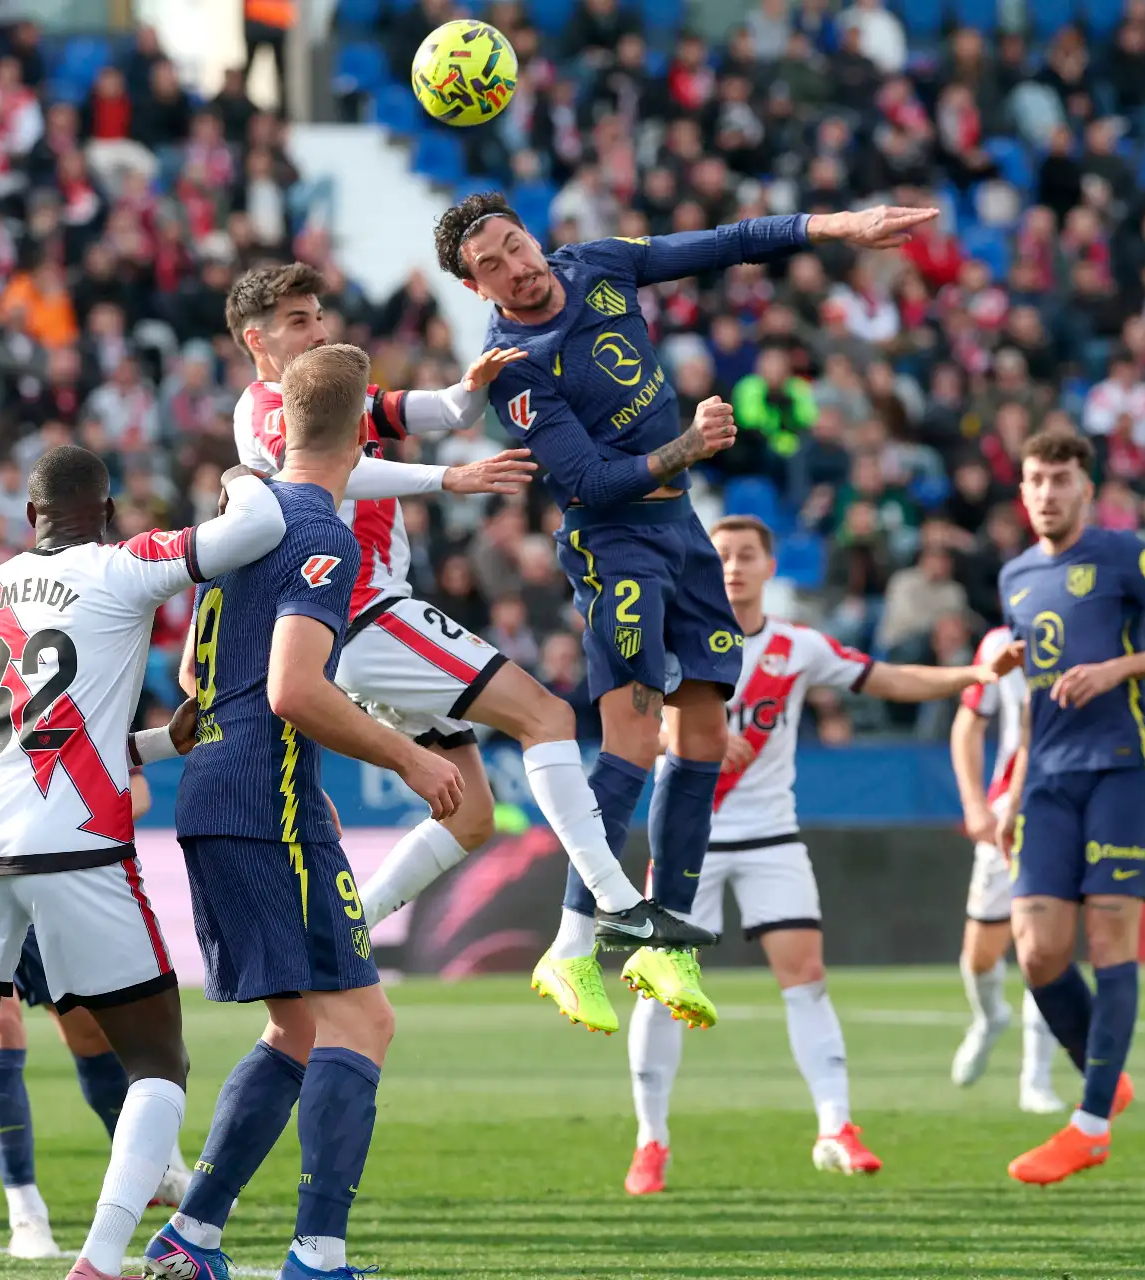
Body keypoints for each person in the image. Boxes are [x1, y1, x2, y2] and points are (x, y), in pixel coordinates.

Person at [433, 191, 939, 1033]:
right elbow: (588, 484)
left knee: (700, 733)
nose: (515, 271)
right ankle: (570, 945)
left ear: (532, 236)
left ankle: (664, 948)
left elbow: (726, 241)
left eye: (515, 248)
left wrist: (840, 225)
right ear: (475, 288)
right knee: (632, 735)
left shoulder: (597, 263)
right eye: (491, 269)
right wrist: (685, 447)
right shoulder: (512, 368)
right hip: (613, 544)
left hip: (682, 529)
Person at [0, 443, 289, 1280]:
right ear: (103, 511)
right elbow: (256, 528)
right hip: (79, 849)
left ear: (30, 517)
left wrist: (147, 744)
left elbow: (38, 730)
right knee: (158, 1060)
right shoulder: (123, 564)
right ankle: (101, 1260)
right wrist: (244, 472)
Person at [223, 262, 716, 1034]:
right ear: (256, 341)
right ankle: (619, 911)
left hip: (368, 620)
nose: (318, 330)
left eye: (318, 314)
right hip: (360, 614)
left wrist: (470, 386)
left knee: (471, 816)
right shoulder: (262, 412)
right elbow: (336, 473)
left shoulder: (337, 393)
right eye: (296, 322)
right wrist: (449, 480)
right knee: (548, 718)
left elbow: (436, 410)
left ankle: (343, 933)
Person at [145, 344, 463, 1280]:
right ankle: (317, 1254)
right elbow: (294, 688)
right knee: (363, 1024)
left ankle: (192, 1235)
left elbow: (194, 678)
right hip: (268, 799)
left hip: (210, 791)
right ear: (365, 421)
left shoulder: (238, 520)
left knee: (296, 1028)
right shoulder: (321, 533)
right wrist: (408, 754)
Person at [621, 516, 1021, 1194]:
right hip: (687, 834)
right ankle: (650, 1140)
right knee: (662, 988)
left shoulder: (796, 646)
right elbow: (628, 723)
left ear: (770, 567)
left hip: (772, 833)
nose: (735, 567)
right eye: (723, 555)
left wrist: (973, 674)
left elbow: (887, 678)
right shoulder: (673, 639)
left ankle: (836, 1126)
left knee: (805, 973)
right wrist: (684, 736)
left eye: (748, 555)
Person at [994, 430, 1145, 1186]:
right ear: (1021, 493)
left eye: (1060, 479)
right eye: (1034, 481)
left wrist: (1116, 667)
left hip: (1120, 768)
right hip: (1048, 778)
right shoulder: (1014, 577)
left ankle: (1089, 1125)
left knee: (1110, 931)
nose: (1047, 493)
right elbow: (1028, 698)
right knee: (1037, 950)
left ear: (1087, 489)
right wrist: (1014, 785)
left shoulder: (1130, 556)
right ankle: (1103, 1073)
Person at [948, 623, 1065, 1115]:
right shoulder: (1000, 644)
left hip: (1064, 805)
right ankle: (990, 1017)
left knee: (1040, 946)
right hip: (1004, 813)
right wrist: (975, 804)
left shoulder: (1101, 633)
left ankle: (1035, 1078)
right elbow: (968, 723)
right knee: (980, 955)